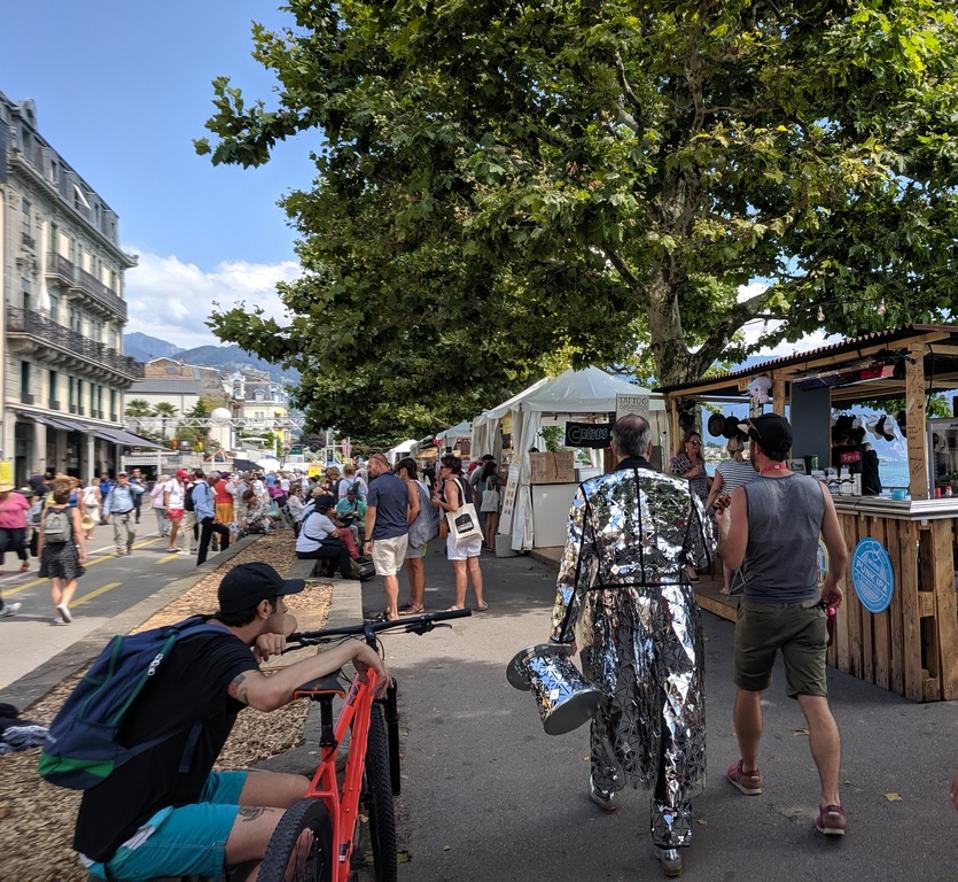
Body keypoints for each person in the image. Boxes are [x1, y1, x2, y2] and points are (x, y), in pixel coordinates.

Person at [73, 562, 389, 881]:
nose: (288, 607)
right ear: (264, 608)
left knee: (300, 791)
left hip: (174, 788)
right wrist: (350, 648)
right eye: (282, 602)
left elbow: (289, 621)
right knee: (292, 838)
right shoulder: (223, 656)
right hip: (133, 830)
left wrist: (274, 632)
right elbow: (266, 695)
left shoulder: (207, 630)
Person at [549, 414, 712, 878]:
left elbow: (573, 571)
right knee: (675, 710)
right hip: (673, 610)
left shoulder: (590, 495)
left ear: (615, 448)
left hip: (612, 612)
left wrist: (560, 633)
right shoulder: (681, 491)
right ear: (650, 445)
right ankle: (670, 831)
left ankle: (606, 781)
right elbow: (702, 554)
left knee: (608, 696)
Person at [715, 413, 849, 838]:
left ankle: (750, 771)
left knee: (750, 691)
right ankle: (831, 803)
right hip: (806, 606)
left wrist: (722, 525)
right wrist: (830, 587)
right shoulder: (817, 489)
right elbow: (840, 554)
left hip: (760, 608)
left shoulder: (745, 494)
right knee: (816, 702)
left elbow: (732, 560)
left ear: (756, 448)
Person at [432, 454, 487, 613]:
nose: (440, 470)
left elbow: (454, 507)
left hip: (457, 530)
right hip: (472, 527)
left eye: (442, 467)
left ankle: (460, 604)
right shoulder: (464, 481)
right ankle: (480, 601)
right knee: (475, 566)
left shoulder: (450, 484)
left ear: (449, 469)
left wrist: (439, 502)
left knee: (460, 569)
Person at [704, 436, 758, 594]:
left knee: (727, 549)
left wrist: (705, 509)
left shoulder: (723, 466)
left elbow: (714, 490)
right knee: (748, 548)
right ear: (743, 448)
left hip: (728, 513)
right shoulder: (753, 468)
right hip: (748, 514)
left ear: (728, 450)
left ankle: (727, 586)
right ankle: (749, 585)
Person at [364, 453, 412, 621]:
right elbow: (407, 508)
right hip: (401, 532)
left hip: (384, 534)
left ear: (379, 465)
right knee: (393, 572)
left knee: (389, 574)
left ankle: (393, 612)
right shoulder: (401, 483)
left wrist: (367, 539)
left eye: (370, 466)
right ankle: (391, 606)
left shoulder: (375, 485)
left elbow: (371, 513)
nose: (369, 470)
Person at [39, 476, 87, 625]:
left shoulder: (46, 511)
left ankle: (58, 615)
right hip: (67, 548)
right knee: (71, 581)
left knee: (55, 582)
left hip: (50, 549)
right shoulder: (73, 511)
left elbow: (41, 533)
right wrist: (83, 550)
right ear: (69, 496)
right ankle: (63, 604)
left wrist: (40, 552)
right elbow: (78, 532)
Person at [395, 458, 433, 615]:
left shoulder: (410, 484)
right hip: (422, 529)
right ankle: (414, 599)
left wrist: (404, 525)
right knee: (412, 565)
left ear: (404, 470)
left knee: (415, 565)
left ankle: (418, 603)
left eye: (398, 470)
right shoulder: (421, 484)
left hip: (415, 530)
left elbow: (415, 508)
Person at [671, 431, 709, 582]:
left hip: (704, 501)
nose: (697, 446)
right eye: (694, 442)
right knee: (692, 532)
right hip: (687, 502)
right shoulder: (678, 461)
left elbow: (705, 480)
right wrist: (690, 474)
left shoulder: (700, 461)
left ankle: (703, 561)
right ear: (686, 444)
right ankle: (690, 565)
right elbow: (673, 481)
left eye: (699, 443)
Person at [295, 494, 352, 577]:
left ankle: (331, 574)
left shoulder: (313, 516)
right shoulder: (322, 518)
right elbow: (336, 534)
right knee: (342, 550)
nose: (333, 510)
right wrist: (332, 519)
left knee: (337, 549)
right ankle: (347, 575)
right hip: (310, 550)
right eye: (331, 508)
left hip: (302, 550)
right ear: (327, 509)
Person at [192, 470, 231, 567]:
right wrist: (213, 515)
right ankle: (223, 557)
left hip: (207, 515)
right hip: (205, 516)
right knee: (225, 531)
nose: (216, 483)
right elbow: (201, 505)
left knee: (205, 540)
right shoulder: (202, 487)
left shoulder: (208, 487)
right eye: (215, 481)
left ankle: (201, 562)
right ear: (210, 479)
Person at [102, 471, 145, 557]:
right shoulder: (113, 489)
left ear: (127, 478)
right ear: (117, 479)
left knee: (131, 532)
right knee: (118, 533)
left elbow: (141, 490)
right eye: (120, 477)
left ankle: (129, 545)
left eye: (124, 477)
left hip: (129, 512)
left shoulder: (130, 487)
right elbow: (108, 501)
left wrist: (129, 484)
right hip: (117, 514)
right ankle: (120, 550)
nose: (122, 479)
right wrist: (106, 513)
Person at [0, 482, 31, 576]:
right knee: (0, 544)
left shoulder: (18, 497)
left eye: (3, 492)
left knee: (18, 544)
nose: (2, 494)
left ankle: (25, 561)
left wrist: (29, 522)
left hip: (18, 526)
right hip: (2, 525)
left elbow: (27, 508)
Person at [477, 460, 501, 552]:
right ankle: (492, 545)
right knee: (493, 526)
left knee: (488, 524)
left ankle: (488, 543)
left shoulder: (486, 477)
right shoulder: (494, 477)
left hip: (487, 502)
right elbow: (503, 482)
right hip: (493, 503)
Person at [163, 469, 189, 553]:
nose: (184, 479)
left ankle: (173, 544)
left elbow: (183, 494)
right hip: (173, 506)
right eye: (182, 477)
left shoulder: (182, 484)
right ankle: (171, 544)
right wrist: (167, 507)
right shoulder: (170, 483)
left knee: (177, 526)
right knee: (176, 525)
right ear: (177, 476)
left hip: (180, 506)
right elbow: (166, 495)